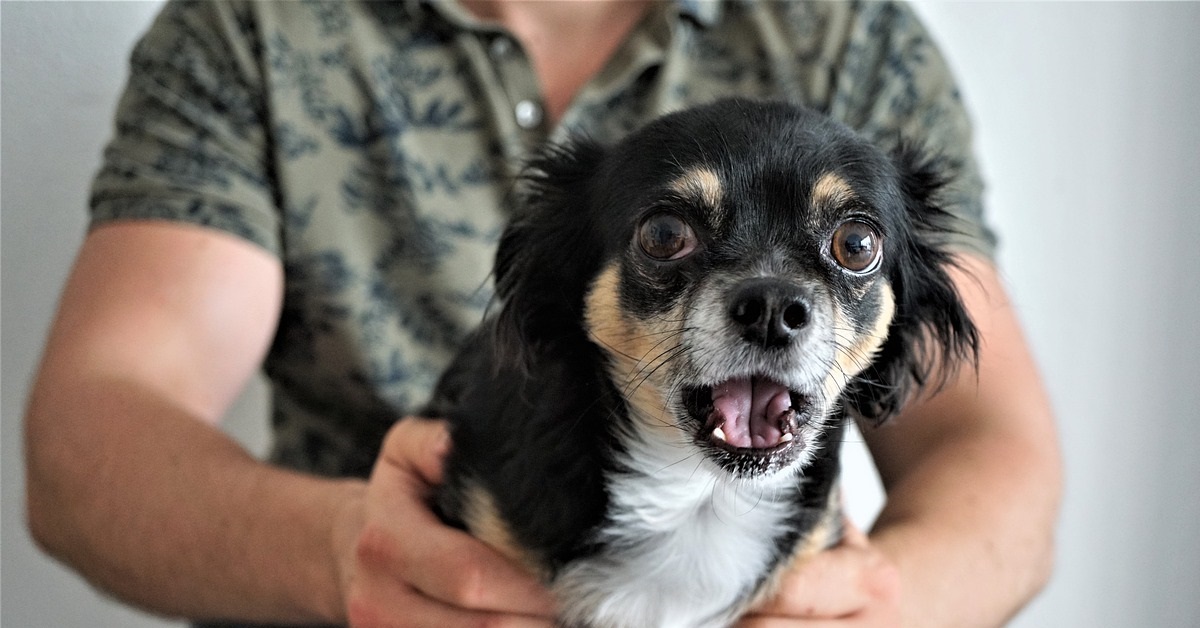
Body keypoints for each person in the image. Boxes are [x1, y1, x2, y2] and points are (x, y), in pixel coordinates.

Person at [24, 1, 1061, 626]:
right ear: (566, 289)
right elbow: (91, 436)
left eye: (848, 251)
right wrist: (339, 554)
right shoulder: (252, 26)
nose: (781, 301)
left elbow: (994, 442)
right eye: (668, 238)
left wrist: (893, 603)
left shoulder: (847, 35)